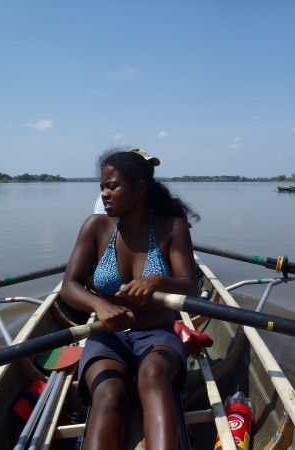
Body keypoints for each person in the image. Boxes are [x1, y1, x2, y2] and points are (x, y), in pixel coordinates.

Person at [61, 148, 200, 450]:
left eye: (112, 186)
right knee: (109, 392)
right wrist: (99, 304)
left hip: (158, 333)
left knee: (153, 376)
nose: (104, 195)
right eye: (102, 187)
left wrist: (159, 281)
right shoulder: (95, 227)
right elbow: (69, 287)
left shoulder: (171, 226)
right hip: (106, 335)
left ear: (139, 189)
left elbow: (191, 287)